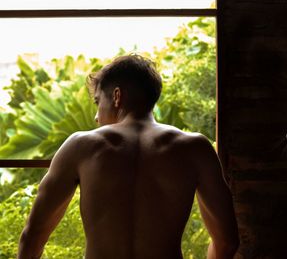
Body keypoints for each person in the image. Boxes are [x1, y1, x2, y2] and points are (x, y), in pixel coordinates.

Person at [17, 54, 239, 259]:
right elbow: (227, 241)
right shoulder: (195, 148)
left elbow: (32, 237)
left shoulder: (80, 146)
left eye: (97, 102)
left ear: (116, 96)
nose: (96, 116)